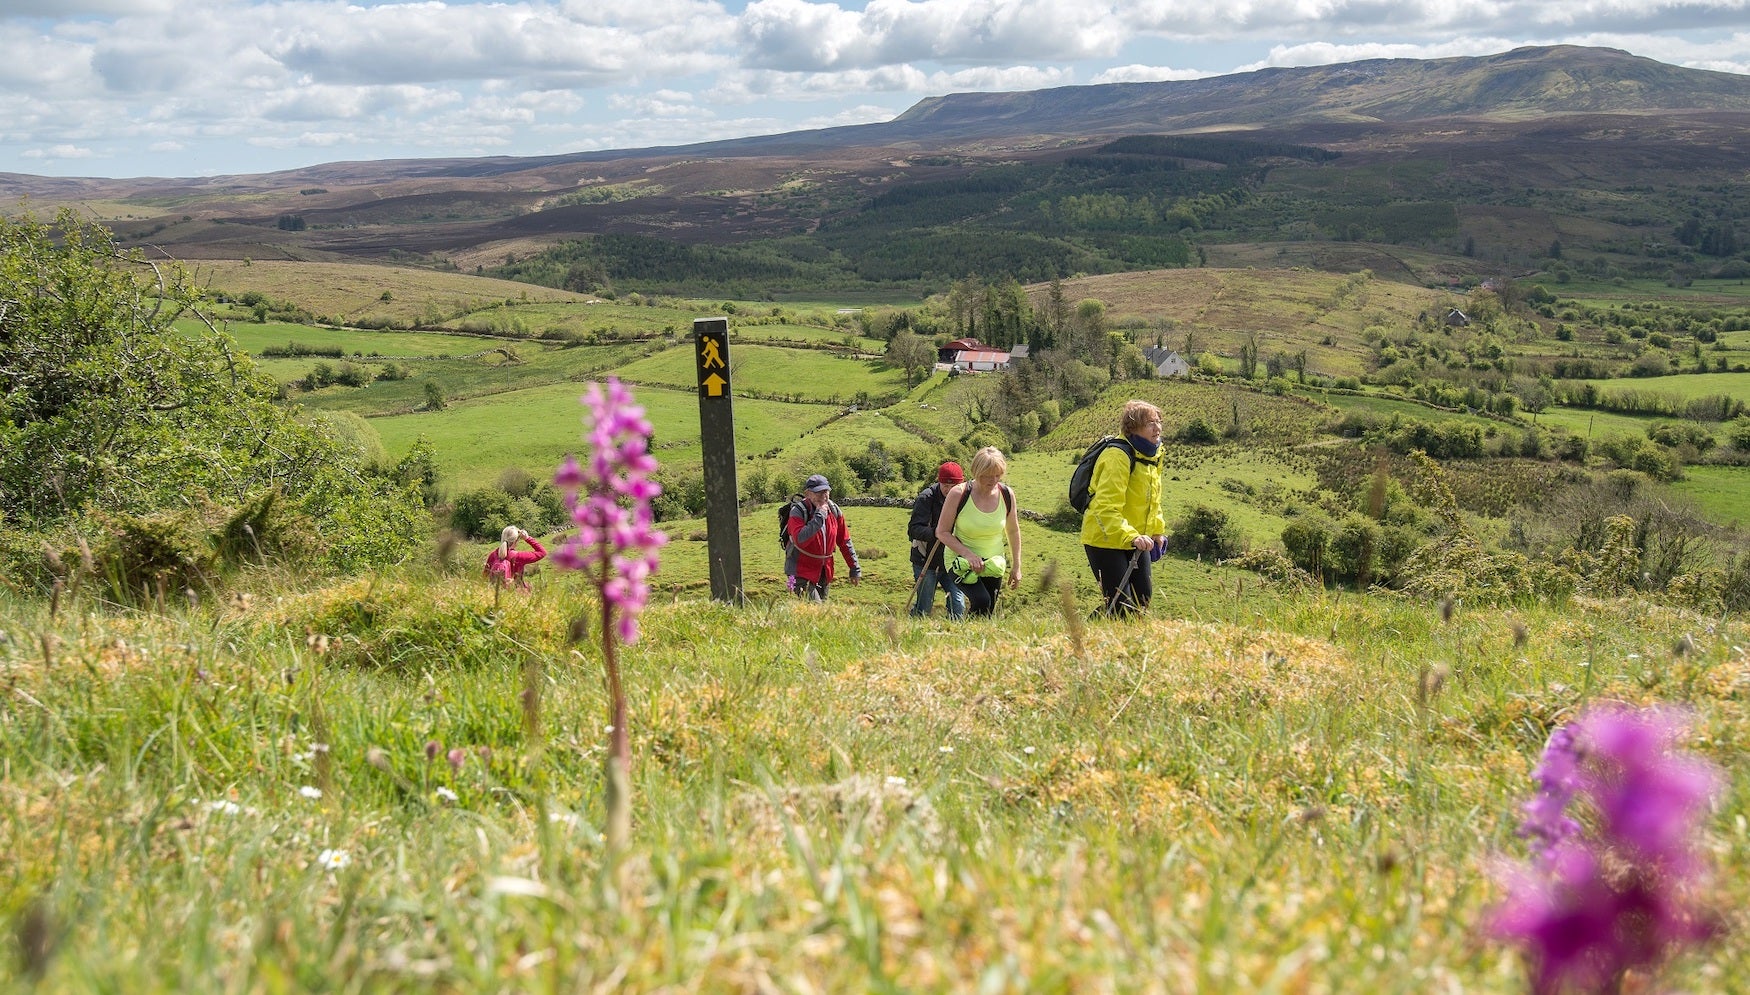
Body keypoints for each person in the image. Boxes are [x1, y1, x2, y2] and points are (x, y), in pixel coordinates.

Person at [1081, 400, 1167, 615]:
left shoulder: (1153, 455)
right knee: (1121, 604)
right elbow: (1105, 507)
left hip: (1137, 538)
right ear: (1132, 427)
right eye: (1149, 423)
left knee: (1142, 600)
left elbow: (1152, 500)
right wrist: (1130, 536)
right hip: (1105, 538)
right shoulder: (1117, 456)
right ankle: (1082, 638)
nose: (1157, 428)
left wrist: (1157, 531)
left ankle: (1123, 642)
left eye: (1158, 421)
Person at [936, 446, 1021, 617]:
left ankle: (975, 640)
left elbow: (1013, 531)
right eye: (987, 475)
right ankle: (962, 636)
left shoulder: (1006, 494)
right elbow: (942, 532)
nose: (993, 480)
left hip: (993, 563)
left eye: (998, 475)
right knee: (982, 601)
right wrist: (968, 554)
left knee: (988, 610)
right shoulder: (959, 494)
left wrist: (1017, 566)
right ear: (976, 471)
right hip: (960, 561)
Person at [784, 474, 861, 601]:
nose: (823, 496)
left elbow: (845, 541)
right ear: (808, 494)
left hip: (824, 572)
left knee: (820, 615)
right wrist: (819, 516)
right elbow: (800, 539)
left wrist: (854, 568)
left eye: (826, 492)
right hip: (800, 572)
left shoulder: (834, 510)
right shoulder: (798, 511)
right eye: (818, 492)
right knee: (815, 610)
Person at [908, 461, 967, 618]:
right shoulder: (926, 498)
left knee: (958, 605)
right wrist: (939, 533)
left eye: (953, 486)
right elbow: (913, 530)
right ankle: (914, 634)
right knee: (924, 607)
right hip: (926, 561)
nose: (948, 490)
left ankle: (955, 637)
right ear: (938, 481)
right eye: (945, 485)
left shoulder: (966, 499)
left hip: (953, 563)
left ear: (962, 482)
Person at [484, 525, 546, 591]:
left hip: (496, 593)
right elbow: (542, 552)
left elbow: (485, 575)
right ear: (516, 541)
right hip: (516, 594)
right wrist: (527, 538)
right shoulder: (518, 556)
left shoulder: (493, 555)